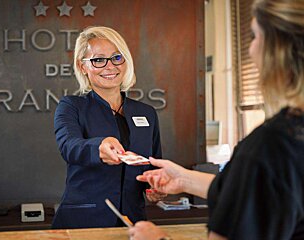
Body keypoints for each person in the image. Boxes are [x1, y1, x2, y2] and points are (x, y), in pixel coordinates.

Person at [129, 0, 304, 239]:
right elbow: (257, 192)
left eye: (254, 36)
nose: (250, 48)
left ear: (277, 50)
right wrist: (184, 179)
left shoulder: (269, 147)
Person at [52, 26, 165, 229]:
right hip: (83, 222)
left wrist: (155, 186)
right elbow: (69, 146)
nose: (110, 66)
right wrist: (99, 147)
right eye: (98, 60)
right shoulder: (71, 106)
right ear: (82, 66)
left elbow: (154, 163)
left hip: (133, 222)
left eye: (116, 57)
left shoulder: (147, 113)